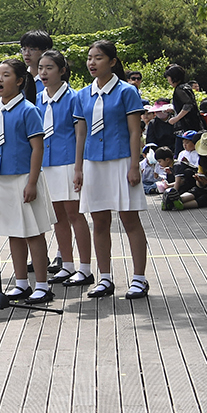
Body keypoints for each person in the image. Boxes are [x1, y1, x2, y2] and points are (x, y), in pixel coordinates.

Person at [74, 40, 151, 300]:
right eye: (89, 58)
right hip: (93, 163)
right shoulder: (82, 94)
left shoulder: (127, 91)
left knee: (129, 219)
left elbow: (134, 131)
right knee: (99, 221)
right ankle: (105, 278)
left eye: (98, 58)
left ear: (112, 62)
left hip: (120, 161)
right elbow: (81, 134)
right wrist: (78, 168)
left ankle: (139, 278)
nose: (92, 63)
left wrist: (134, 164)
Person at [0, 59, 56, 303]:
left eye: (6, 75)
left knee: (32, 231)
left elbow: (37, 147)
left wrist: (32, 181)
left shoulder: (28, 110)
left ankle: (42, 284)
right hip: (2, 178)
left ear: (19, 81)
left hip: (24, 177)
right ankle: (20, 283)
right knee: (12, 232)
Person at [37, 50, 94, 288]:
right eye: (41, 68)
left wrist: (79, 167)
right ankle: (67, 264)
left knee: (74, 214)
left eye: (49, 68)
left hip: (69, 161)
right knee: (57, 216)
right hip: (46, 164)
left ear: (62, 70)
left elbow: (81, 135)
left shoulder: (74, 98)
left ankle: (85, 268)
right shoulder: (38, 99)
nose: (43, 73)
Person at [165, 64, 202, 154]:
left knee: (181, 152)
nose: (168, 81)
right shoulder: (186, 87)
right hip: (193, 124)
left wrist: (176, 118)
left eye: (169, 78)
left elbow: (188, 105)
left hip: (186, 126)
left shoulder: (180, 89)